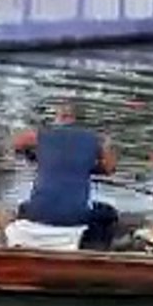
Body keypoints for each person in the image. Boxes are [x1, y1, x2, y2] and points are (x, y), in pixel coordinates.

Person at [12, 103, 119, 250]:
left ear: (57, 118)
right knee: (110, 213)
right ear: (77, 119)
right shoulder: (94, 139)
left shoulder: (41, 134)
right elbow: (109, 168)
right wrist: (90, 166)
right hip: (75, 217)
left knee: (23, 207)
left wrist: (33, 156)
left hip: (38, 213)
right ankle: (99, 250)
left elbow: (17, 144)